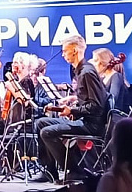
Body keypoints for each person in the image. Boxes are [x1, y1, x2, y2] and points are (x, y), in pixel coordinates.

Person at [35, 35, 108, 183]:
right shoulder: (81, 71)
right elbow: (87, 101)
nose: (63, 54)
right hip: (85, 120)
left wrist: (73, 111)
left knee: (47, 132)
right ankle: (50, 171)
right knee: (40, 123)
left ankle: (74, 170)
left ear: (74, 50)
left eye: (64, 51)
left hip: (92, 125)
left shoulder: (87, 72)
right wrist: (73, 107)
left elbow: (96, 105)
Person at [92, 48, 131, 113]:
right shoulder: (102, 78)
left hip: (114, 116)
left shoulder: (116, 76)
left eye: (95, 61)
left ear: (104, 62)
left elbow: (112, 99)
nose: (93, 64)